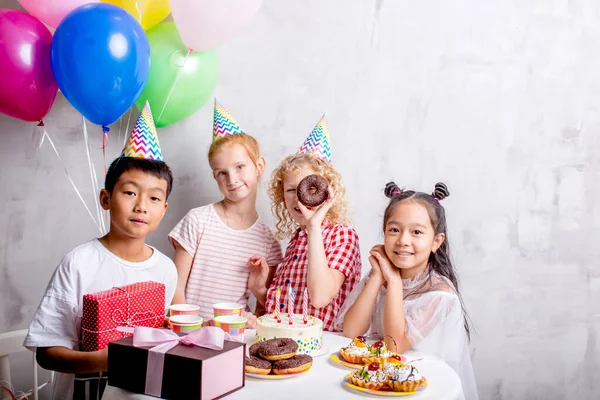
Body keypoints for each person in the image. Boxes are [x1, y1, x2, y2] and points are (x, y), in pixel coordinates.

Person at [23, 103, 178, 400]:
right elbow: (47, 353)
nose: (141, 205)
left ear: (163, 210)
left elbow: (168, 335)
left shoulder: (166, 270)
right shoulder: (79, 263)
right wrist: (108, 359)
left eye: (154, 198)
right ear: (106, 199)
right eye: (130, 192)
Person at [338, 181, 478, 399]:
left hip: (419, 388)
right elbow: (351, 332)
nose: (403, 240)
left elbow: (394, 346)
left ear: (436, 241)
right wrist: (377, 277)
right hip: (381, 382)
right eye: (394, 230)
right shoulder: (380, 274)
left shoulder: (440, 294)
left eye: (416, 232)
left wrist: (393, 281)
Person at [168, 100, 282, 326]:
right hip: (191, 336)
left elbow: (263, 313)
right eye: (222, 172)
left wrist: (252, 311)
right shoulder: (197, 221)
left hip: (233, 339)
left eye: (240, 167)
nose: (232, 179)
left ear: (259, 166)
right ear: (214, 176)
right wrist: (194, 329)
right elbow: (175, 289)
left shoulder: (268, 242)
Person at [249, 114, 361, 331]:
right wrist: (259, 290)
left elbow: (319, 298)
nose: (299, 197)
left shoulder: (343, 236)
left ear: (327, 192)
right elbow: (287, 313)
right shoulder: (296, 241)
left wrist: (314, 227)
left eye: (309, 188)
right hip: (288, 345)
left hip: (323, 346)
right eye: (291, 190)